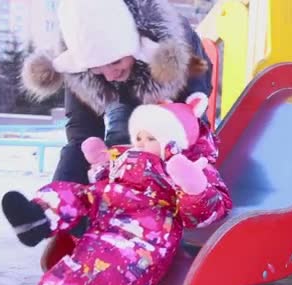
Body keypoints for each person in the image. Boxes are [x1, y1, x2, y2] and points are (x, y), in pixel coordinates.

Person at [1, 93, 233, 285]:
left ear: (174, 142)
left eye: (151, 138)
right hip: (108, 207)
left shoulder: (190, 167)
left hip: (142, 236)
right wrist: (101, 165)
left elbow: (211, 209)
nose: (141, 143)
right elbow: (110, 179)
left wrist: (193, 188)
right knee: (76, 194)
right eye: (139, 137)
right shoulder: (130, 155)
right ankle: (38, 218)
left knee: (103, 272)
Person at [21, 0, 214, 267]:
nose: (110, 74)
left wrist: (181, 122)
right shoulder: (80, 54)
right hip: (125, 100)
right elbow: (81, 128)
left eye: (114, 62)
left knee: (162, 148)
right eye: (98, 68)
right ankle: (49, 211)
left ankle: (156, 222)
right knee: (97, 146)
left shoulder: (170, 38)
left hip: (173, 101)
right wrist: (76, 173)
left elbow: (196, 85)